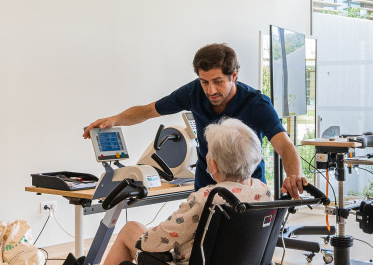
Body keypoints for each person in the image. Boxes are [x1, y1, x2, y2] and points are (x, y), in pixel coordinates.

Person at [54, 118, 271, 265]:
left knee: (131, 230)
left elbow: (159, 240)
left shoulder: (207, 197)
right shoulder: (262, 191)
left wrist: (147, 233)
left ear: (213, 163)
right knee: (145, 234)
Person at [83, 43, 307, 198]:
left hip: (247, 185)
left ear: (234, 76)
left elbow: (284, 145)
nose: (211, 90)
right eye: (204, 81)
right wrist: (113, 120)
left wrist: (294, 175)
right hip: (206, 182)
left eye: (218, 81)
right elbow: (148, 111)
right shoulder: (193, 93)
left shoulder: (257, 104)